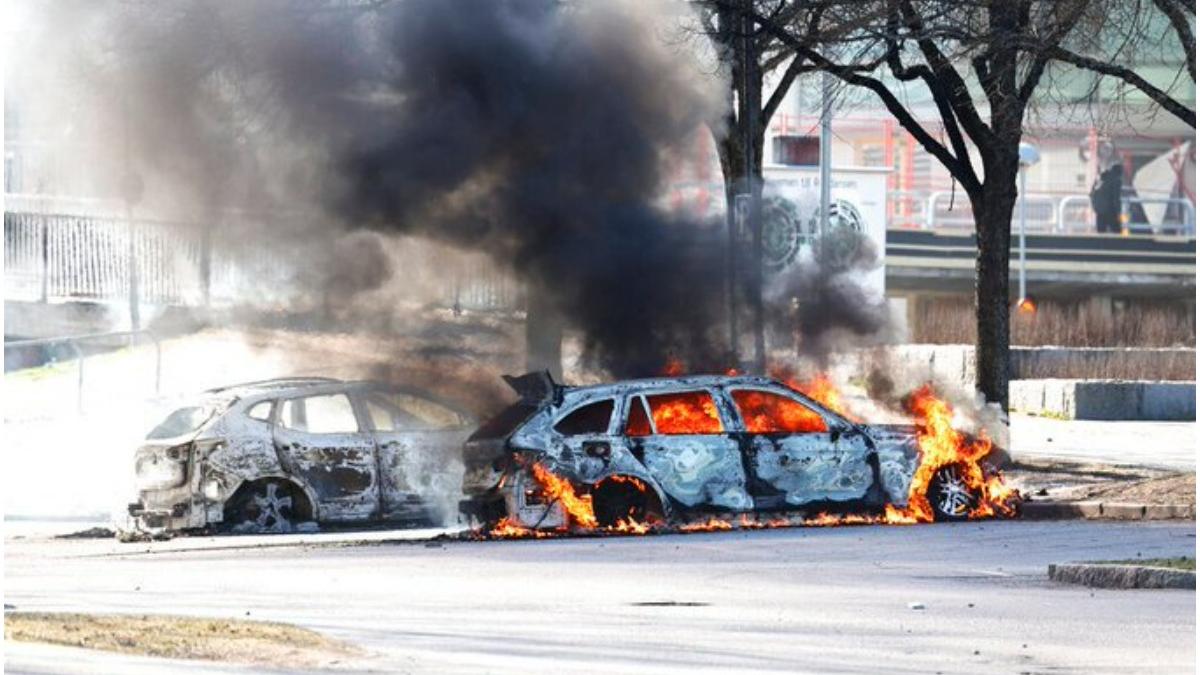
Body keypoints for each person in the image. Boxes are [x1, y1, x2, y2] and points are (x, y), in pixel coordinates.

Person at [1090, 161, 1123, 234]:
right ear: (1119, 172)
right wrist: (1118, 211)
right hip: (1110, 210)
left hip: (1099, 210)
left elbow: (1092, 193)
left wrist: (1095, 206)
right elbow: (1116, 198)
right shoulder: (1116, 180)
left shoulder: (1101, 178)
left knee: (1101, 233)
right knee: (1118, 232)